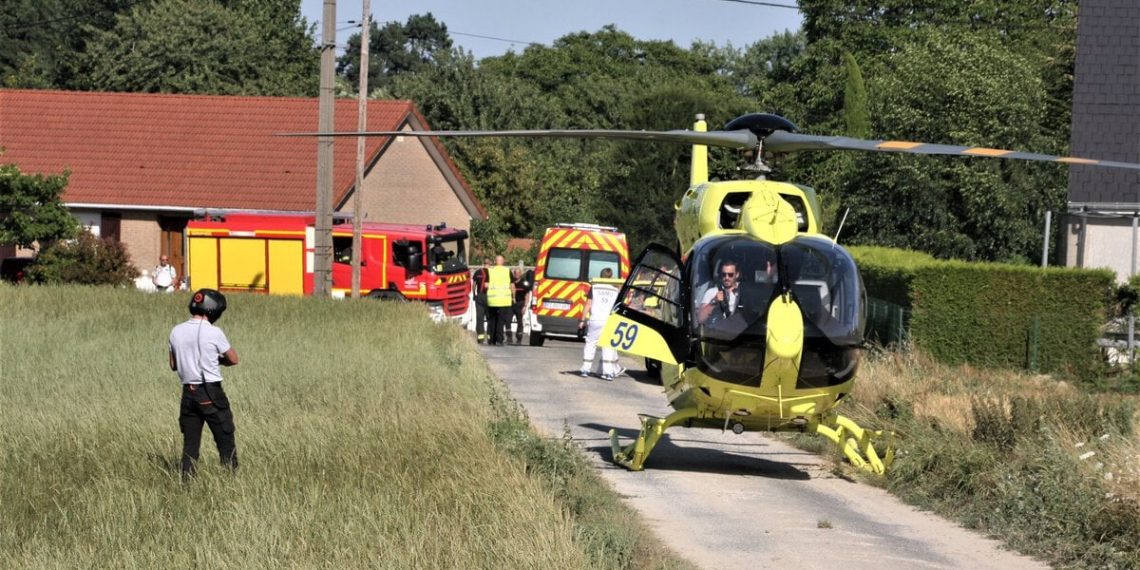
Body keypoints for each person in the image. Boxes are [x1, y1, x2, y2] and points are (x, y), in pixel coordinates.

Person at [169, 289, 240, 477]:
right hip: (210, 391)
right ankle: (231, 479)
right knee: (225, 438)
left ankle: (187, 483)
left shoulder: (176, 331)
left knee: (190, 445)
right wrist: (217, 360)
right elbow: (233, 359)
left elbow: (173, 365)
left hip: (188, 394)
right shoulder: (214, 332)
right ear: (213, 310)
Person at [579, 268, 622, 380]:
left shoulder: (594, 287)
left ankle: (585, 369)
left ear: (600, 275)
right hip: (608, 320)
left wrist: (582, 320)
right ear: (611, 276)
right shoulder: (615, 289)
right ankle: (607, 373)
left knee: (591, 343)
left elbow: (588, 304)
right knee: (607, 346)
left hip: (595, 320)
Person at [697, 260, 742, 324]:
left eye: (730, 275)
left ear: (737, 275)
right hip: (716, 331)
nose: (726, 277)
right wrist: (714, 301)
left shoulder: (744, 291)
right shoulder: (712, 292)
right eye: (724, 274)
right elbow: (700, 319)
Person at [485, 255, 513, 346]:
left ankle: (492, 340)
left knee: (492, 321)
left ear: (495, 261)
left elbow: (486, 285)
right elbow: (512, 286)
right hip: (504, 301)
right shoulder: (507, 271)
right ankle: (499, 340)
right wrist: (513, 297)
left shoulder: (490, 271)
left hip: (492, 300)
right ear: (503, 261)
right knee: (501, 321)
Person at [509, 266, 533, 344]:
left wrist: (525, 306)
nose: (516, 274)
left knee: (519, 322)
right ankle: (509, 338)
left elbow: (527, 295)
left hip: (520, 304)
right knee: (507, 321)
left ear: (521, 274)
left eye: (518, 273)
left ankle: (519, 339)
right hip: (510, 304)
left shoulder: (524, 283)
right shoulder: (510, 282)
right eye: (515, 273)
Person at [471, 258, 491, 344]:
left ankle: (480, 337)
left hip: (479, 296)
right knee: (490, 317)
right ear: (490, 263)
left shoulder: (478, 272)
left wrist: (474, 295)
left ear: (483, 263)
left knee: (479, 317)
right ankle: (490, 337)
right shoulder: (493, 273)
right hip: (490, 297)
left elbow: (473, 285)